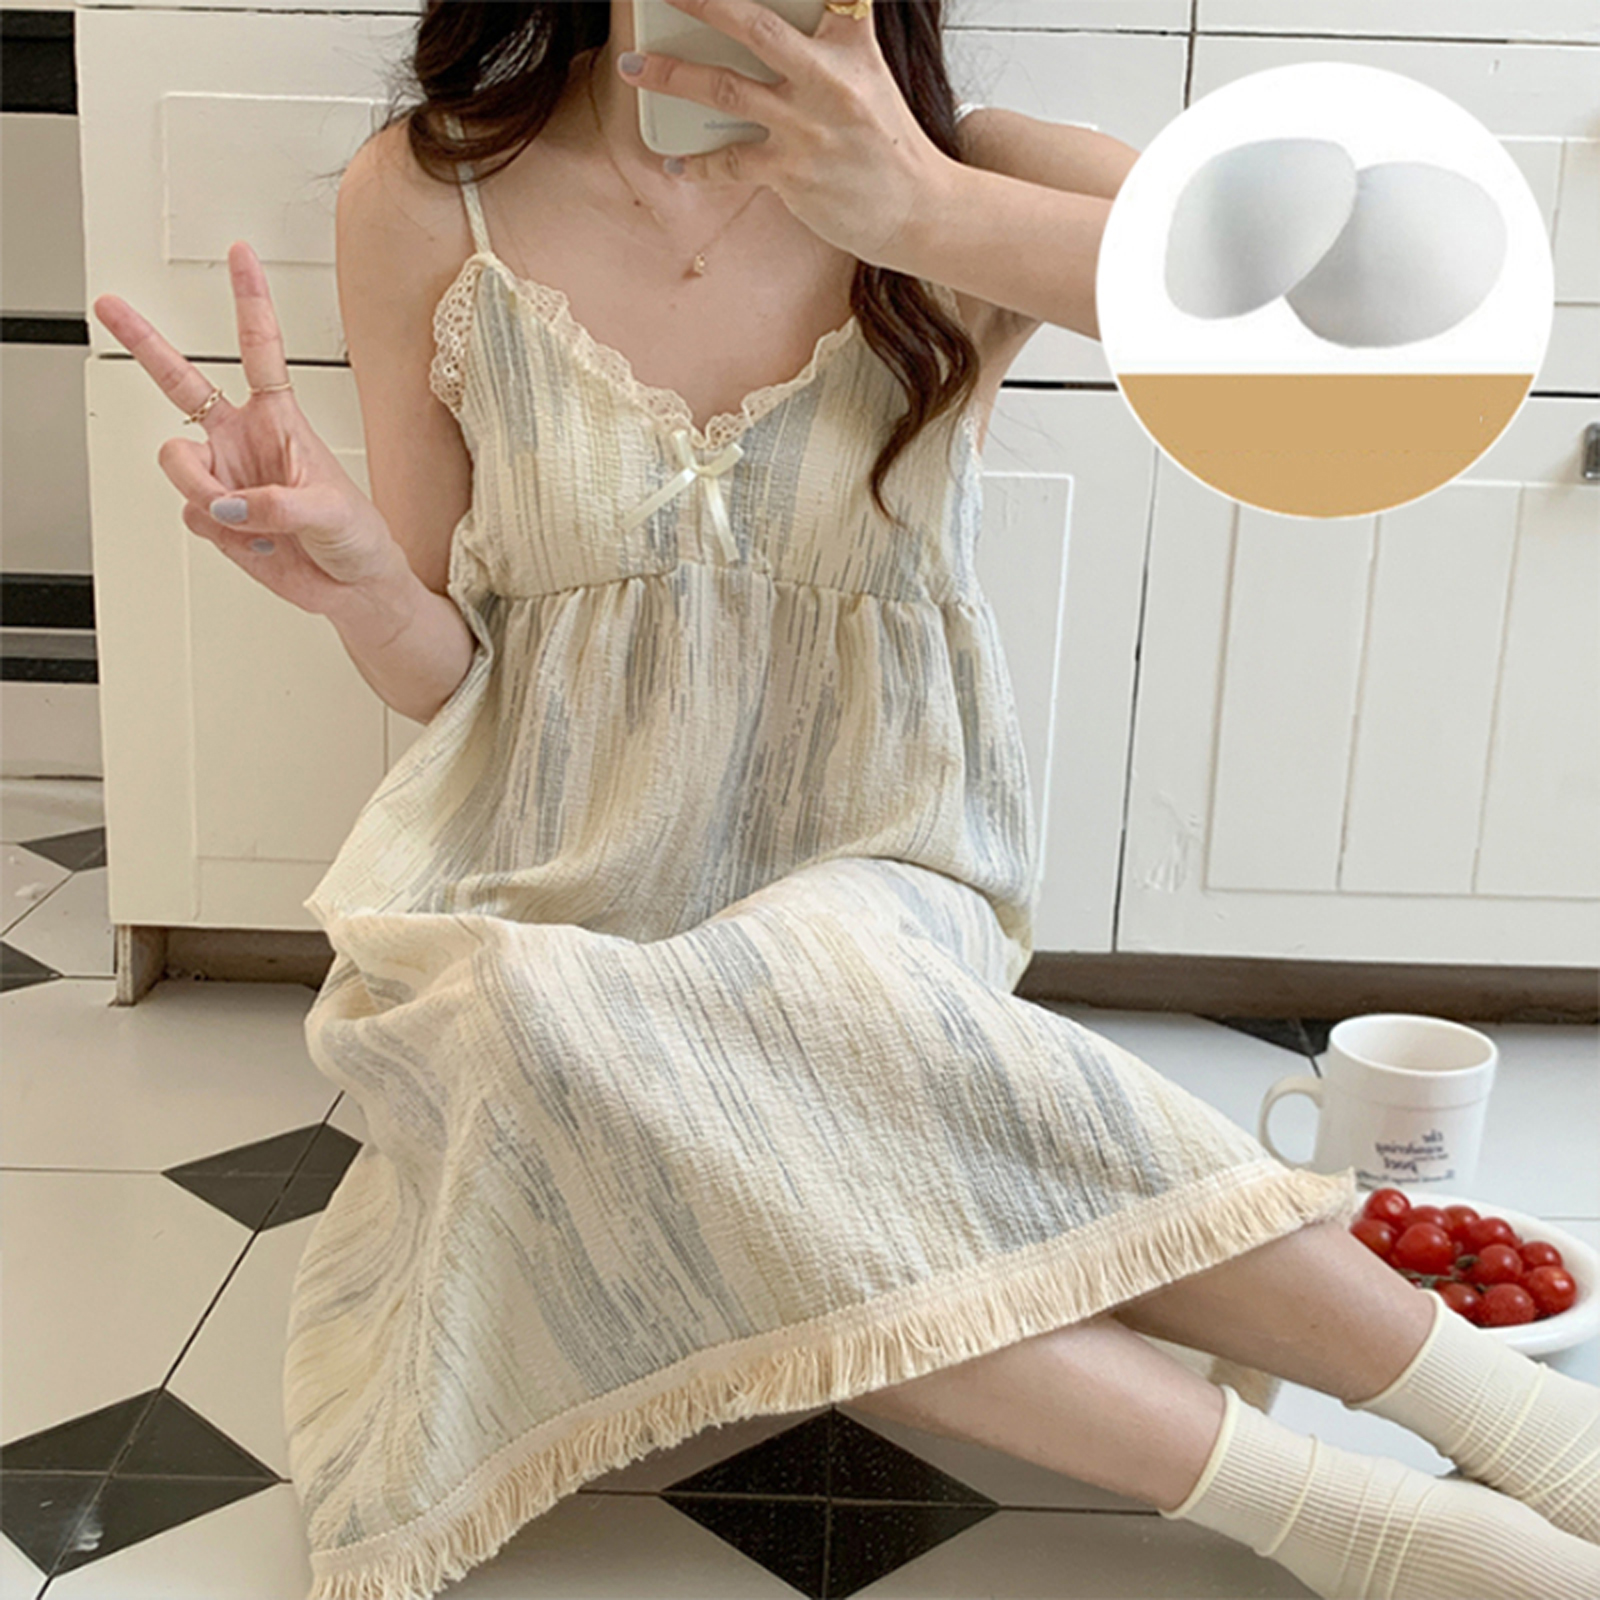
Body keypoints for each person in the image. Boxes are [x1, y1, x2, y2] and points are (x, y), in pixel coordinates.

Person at [93, 3, 1599, 1598]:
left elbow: (1310, 346)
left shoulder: (978, 170)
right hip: (544, 873)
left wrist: (925, 207)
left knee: (818, 995)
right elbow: (451, 678)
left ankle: (1513, 1423)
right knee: (540, 1017)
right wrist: (355, 583)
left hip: (874, 856)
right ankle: (1347, 1522)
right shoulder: (427, 191)